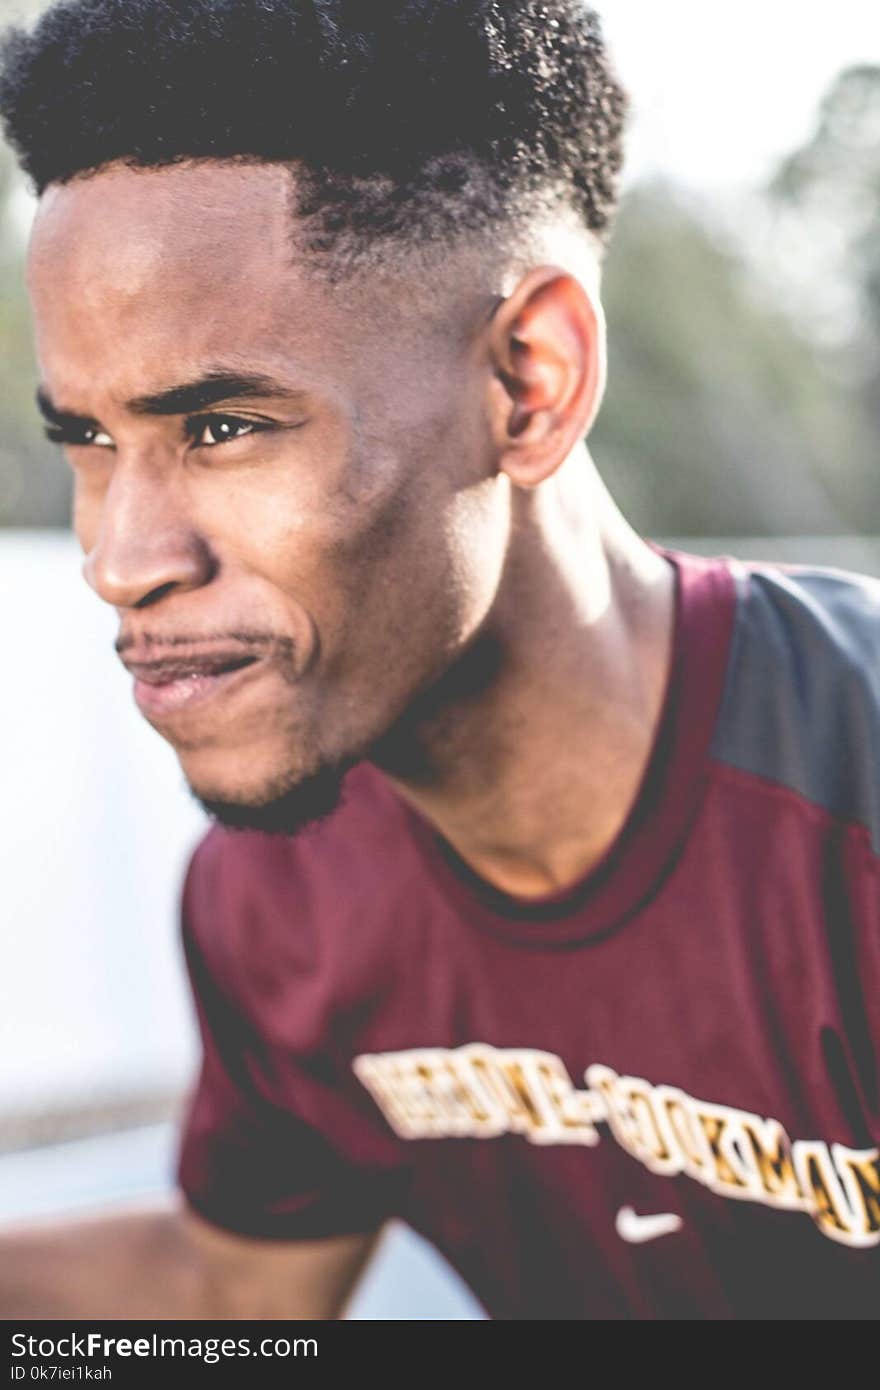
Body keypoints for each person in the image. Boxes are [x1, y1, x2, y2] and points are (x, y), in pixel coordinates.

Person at [0, 0, 878, 1322]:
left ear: (528, 381)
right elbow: (242, 1292)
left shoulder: (845, 815)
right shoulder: (278, 902)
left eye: (225, 425)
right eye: (92, 440)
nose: (123, 559)